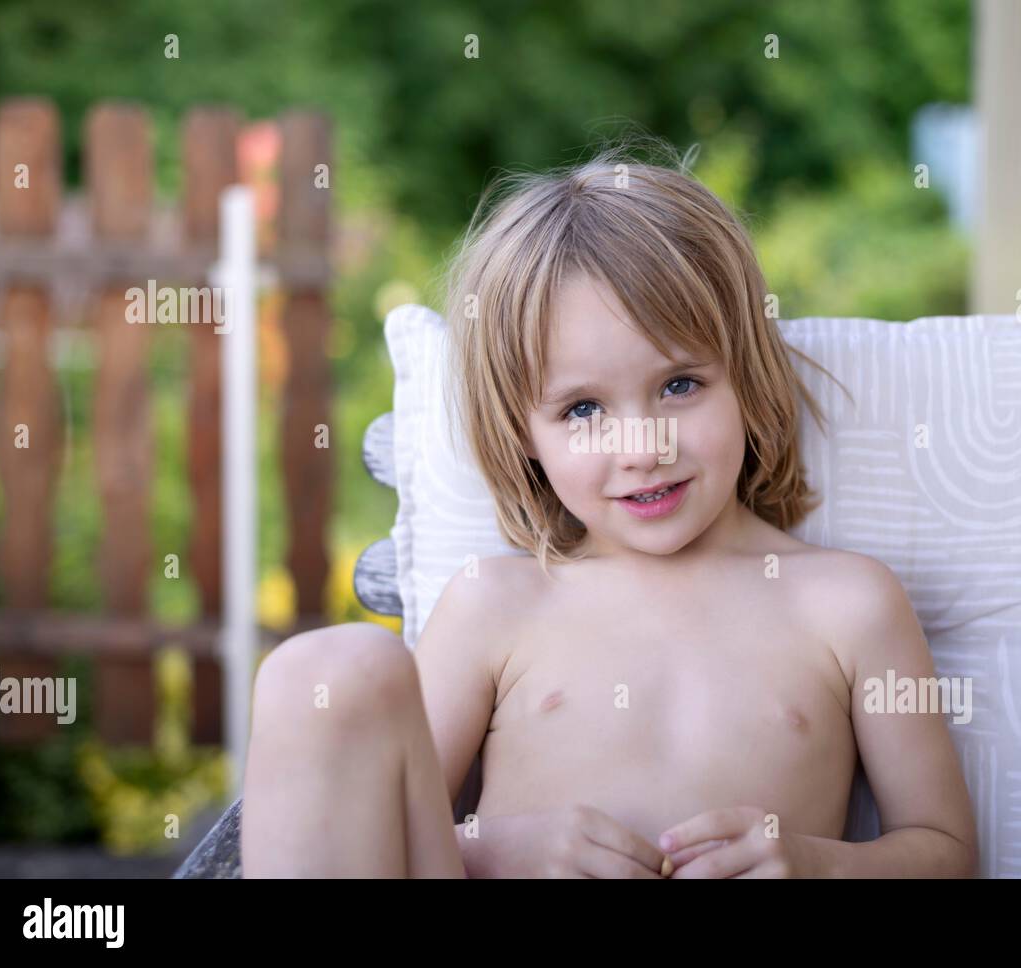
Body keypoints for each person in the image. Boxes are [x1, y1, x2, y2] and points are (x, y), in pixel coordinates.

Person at [241, 139, 977, 878]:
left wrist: (817, 866)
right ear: (522, 434)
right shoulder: (498, 604)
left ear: (749, 381)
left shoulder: (847, 604)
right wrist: (495, 848)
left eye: (680, 386)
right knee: (330, 668)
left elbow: (945, 852)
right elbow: (390, 833)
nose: (642, 447)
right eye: (583, 408)